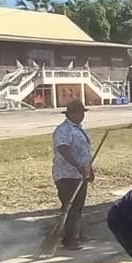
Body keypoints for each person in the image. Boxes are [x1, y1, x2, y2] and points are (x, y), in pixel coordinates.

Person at [51, 99, 93, 249]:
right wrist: (78, 166)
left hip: (80, 175)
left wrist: (89, 170)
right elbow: (63, 149)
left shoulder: (78, 129)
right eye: (79, 113)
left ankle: (77, 233)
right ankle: (70, 239)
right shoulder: (64, 130)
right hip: (67, 175)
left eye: (83, 113)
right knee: (71, 207)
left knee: (78, 207)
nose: (82, 116)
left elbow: (85, 152)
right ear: (72, 114)